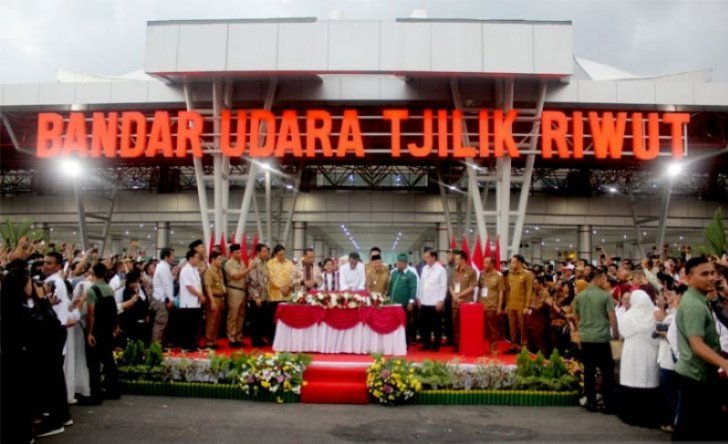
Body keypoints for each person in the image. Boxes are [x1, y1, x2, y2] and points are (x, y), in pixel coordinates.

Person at [673, 256, 728, 441]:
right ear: (689, 278)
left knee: (695, 427)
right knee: (693, 430)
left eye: (713, 272)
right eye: (704, 274)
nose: (711, 277)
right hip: (696, 376)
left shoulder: (701, 298)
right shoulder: (693, 305)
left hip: (698, 374)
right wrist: (723, 362)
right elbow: (697, 345)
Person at [573, 269, 618, 413]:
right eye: (604, 279)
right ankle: (607, 402)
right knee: (607, 371)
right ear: (598, 279)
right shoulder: (605, 296)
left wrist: (580, 333)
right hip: (602, 338)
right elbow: (612, 317)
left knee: (589, 370)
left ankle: (591, 402)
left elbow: (576, 317)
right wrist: (615, 334)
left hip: (586, 338)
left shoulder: (580, 297)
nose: (605, 282)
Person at [42, 252, 82, 405]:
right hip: (57, 334)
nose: (45, 266)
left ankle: (56, 414)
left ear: (58, 266)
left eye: (50, 263)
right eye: (44, 262)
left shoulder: (55, 284)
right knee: (56, 375)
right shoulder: (53, 281)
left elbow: (58, 314)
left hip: (53, 335)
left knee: (53, 376)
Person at [618, 289, 661, 428]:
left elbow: (623, 332)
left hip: (632, 351)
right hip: (649, 351)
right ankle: (648, 417)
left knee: (632, 379)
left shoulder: (629, 315)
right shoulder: (655, 313)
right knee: (647, 378)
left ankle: (631, 416)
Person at [85, 262, 121, 404]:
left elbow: (91, 314)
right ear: (105, 274)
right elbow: (113, 310)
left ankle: (96, 395)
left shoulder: (91, 291)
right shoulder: (110, 289)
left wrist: (89, 332)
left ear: (93, 274)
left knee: (93, 364)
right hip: (108, 329)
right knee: (109, 361)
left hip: (97, 330)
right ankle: (113, 390)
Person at [417, 250, 448, 351]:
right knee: (424, 325)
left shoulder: (441, 270)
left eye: (427, 257)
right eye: (425, 257)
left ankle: (436, 345)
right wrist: (419, 297)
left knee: (436, 325)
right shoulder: (424, 268)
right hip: (424, 301)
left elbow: (443, 286)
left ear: (433, 257)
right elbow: (421, 284)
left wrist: (441, 300)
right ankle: (426, 343)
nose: (425, 259)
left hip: (435, 302)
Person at [449, 250, 478, 352]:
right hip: (455, 303)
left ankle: (465, 344)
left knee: (465, 325)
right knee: (455, 324)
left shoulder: (471, 271)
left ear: (463, 260)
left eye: (457, 259)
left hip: (465, 303)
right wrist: (454, 296)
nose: (455, 260)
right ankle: (456, 345)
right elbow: (450, 286)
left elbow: (472, 287)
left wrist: (459, 295)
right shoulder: (454, 271)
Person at [504, 254, 533, 354]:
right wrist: (507, 304)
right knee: (512, 327)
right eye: (511, 262)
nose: (511, 264)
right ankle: (513, 345)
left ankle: (523, 346)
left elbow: (529, 290)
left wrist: (527, 306)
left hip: (521, 305)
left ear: (519, 263)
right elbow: (508, 290)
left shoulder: (527, 274)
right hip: (511, 304)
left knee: (522, 326)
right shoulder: (510, 274)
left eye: (513, 262)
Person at [177, 250, 205, 351]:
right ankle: (186, 346)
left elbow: (197, 285)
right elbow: (189, 286)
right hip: (188, 303)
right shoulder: (185, 270)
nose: (198, 259)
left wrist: (200, 296)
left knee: (194, 326)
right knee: (188, 326)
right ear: (190, 258)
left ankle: (192, 344)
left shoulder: (195, 270)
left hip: (196, 303)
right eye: (197, 257)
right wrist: (200, 296)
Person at [478, 256, 505, 356]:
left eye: (486, 263)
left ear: (492, 264)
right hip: (481, 306)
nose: (484, 265)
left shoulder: (499, 275)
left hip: (492, 306)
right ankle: (481, 349)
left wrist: (499, 307)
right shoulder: (481, 274)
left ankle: (493, 348)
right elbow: (479, 289)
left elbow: (501, 292)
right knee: (482, 330)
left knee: (493, 329)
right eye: (484, 263)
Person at [388, 253, 418, 344]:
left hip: (404, 305)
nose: (397, 265)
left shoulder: (411, 275)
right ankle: (395, 342)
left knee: (406, 323)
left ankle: (406, 343)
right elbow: (390, 286)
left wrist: (411, 302)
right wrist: (388, 298)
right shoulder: (394, 273)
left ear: (405, 263)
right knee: (394, 323)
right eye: (397, 263)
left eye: (399, 263)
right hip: (393, 304)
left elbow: (413, 289)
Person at [267, 245, 295, 340]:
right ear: (275, 254)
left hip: (288, 295)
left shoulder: (289, 263)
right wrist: (281, 288)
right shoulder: (270, 263)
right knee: (275, 317)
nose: (282, 256)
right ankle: (273, 338)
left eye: (283, 254)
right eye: (280, 255)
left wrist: (289, 286)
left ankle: (286, 338)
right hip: (275, 295)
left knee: (287, 318)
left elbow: (294, 276)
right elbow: (271, 278)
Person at [224, 244, 248, 347]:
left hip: (243, 291)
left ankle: (238, 337)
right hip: (234, 290)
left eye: (240, 252)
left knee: (241, 316)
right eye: (237, 252)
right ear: (231, 253)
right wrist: (249, 268)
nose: (239, 254)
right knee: (233, 316)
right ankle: (231, 338)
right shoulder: (229, 264)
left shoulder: (241, 262)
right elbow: (236, 276)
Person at [247, 243, 271, 346]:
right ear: (258, 252)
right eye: (264, 251)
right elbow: (252, 282)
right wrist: (256, 297)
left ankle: (261, 338)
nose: (266, 253)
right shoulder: (254, 263)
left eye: (267, 251)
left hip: (265, 296)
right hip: (257, 296)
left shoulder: (266, 263)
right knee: (256, 320)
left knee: (263, 319)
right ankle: (255, 340)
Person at [151, 247, 175, 344]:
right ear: (166, 256)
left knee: (162, 323)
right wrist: (171, 299)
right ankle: (156, 345)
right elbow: (166, 285)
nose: (173, 258)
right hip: (161, 298)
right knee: (160, 323)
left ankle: (158, 344)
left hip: (161, 297)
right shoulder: (163, 267)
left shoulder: (163, 267)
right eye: (172, 256)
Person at [203, 251, 227, 349]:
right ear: (213, 260)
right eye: (219, 259)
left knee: (217, 321)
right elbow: (207, 287)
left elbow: (221, 285)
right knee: (211, 321)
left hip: (220, 298)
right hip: (213, 298)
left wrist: (223, 299)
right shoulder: (209, 271)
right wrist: (212, 301)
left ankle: (213, 340)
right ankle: (208, 341)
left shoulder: (219, 271)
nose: (221, 261)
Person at [119, 270, 149, 343]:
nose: (134, 284)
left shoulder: (141, 289)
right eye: (132, 283)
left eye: (135, 282)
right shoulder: (127, 292)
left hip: (143, 319)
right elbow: (128, 307)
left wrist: (147, 314)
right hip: (132, 321)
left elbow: (146, 301)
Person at [526, 275, 550, 355]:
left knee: (539, 340)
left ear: (541, 284)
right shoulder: (534, 293)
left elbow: (539, 307)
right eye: (533, 284)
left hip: (540, 320)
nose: (534, 286)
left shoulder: (545, 294)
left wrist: (529, 306)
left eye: (535, 284)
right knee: (532, 339)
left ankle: (542, 356)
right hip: (532, 319)